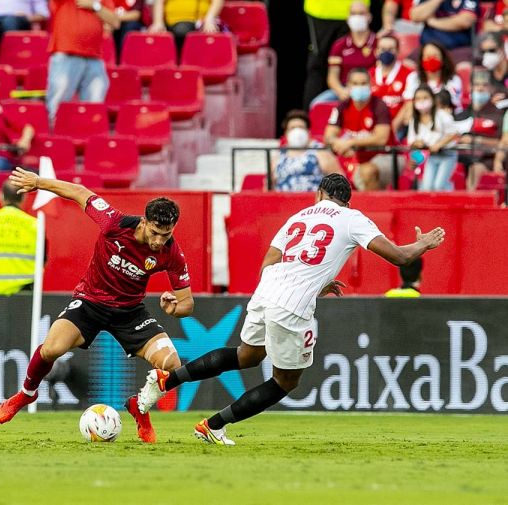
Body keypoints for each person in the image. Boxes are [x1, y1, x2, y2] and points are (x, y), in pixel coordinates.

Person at [135, 173, 446, 445]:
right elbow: (400, 257)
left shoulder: (299, 216)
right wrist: (424, 244)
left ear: (320, 195)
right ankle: (213, 426)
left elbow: (270, 259)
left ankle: (167, 380)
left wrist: (307, 282)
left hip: (265, 291)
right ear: (346, 202)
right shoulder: (353, 219)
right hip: (292, 304)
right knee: (286, 381)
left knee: (247, 354)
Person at [0, 167, 193, 445]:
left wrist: (174, 306)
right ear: (145, 222)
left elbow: (187, 302)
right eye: (156, 232)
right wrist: (38, 182)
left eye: (167, 234)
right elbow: (79, 192)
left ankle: (140, 408)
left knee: (172, 364)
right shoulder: (115, 223)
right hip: (90, 302)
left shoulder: (172, 252)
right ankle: (26, 393)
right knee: (51, 348)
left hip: (130, 312)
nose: (160, 240)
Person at [45, 0, 119, 120]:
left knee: (93, 110)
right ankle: (53, 137)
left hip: (94, 57)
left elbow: (115, 22)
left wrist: (95, 6)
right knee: (57, 107)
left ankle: (87, 136)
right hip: (66, 54)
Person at [324, 67, 395, 190]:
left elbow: (381, 139)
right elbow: (328, 136)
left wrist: (350, 143)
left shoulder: (379, 105)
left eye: (363, 83)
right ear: (348, 85)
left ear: (370, 84)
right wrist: (339, 144)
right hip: (358, 159)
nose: (359, 87)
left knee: (366, 172)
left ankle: (374, 208)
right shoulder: (342, 107)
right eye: (355, 83)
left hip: (388, 155)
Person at [311, 1, 376, 106]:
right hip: (346, 88)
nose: (357, 17)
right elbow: (332, 77)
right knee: (317, 104)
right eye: (353, 14)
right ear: (348, 18)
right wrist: (341, 91)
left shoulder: (377, 42)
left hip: (371, 88)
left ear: (369, 17)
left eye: (361, 13)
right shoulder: (340, 45)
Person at [273, 109, 342, 192]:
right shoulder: (278, 155)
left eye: (301, 127)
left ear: (308, 131)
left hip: (313, 202)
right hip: (282, 201)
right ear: (286, 133)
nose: (297, 131)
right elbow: (269, 184)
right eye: (293, 128)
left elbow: (339, 182)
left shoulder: (320, 151)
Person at [459, 71, 506, 189]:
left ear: (491, 88)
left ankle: (470, 204)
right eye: (476, 84)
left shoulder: (499, 115)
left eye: (484, 85)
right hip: (462, 158)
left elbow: (503, 143)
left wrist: (477, 140)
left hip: (487, 159)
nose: (480, 88)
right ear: (470, 87)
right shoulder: (461, 115)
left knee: (475, 169)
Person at [302, 0, 353, 109]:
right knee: (318, 67)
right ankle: (311, 117)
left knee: (353, 65)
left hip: (353, 10)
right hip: (322, 10)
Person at [406, 85, 458, 191]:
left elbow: (454, 133)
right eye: (418, 99)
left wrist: (439, 144)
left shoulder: (442, 115)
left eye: (425, 98)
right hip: (431, 156)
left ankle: (451, 197)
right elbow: (411, 141)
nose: (421, 101)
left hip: (447, 155)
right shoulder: (414, 120)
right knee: (427, 187)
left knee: (439, 186)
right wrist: (417, 143)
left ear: (432, 99)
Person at [411, 0, 478, 63]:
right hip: (428, 47)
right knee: (408, 65)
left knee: (464, 67)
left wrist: (433, 22)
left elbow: (465, 21)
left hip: (457, 49)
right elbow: (415, 16)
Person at [369, 33, 413, 125]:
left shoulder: (409, 74)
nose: (386, 52)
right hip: (373, 124)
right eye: (383, 49)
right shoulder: (369, 74)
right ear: (376, 51)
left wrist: (393, 128)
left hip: (397, 124)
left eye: (390, 49)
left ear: (397, 51)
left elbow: (408, 104)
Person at [149, 0, 225, 52]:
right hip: (169, 23)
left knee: (181, 30)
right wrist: (158, 22)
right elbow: (159, 2)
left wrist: (209, 19)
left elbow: (217, 2)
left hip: (197, 22)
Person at [479, 32, 508, 99]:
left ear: (502, 49)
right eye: (483, 51)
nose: (487, 55)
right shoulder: (483, 76)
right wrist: (491, 103)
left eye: (491, 50)